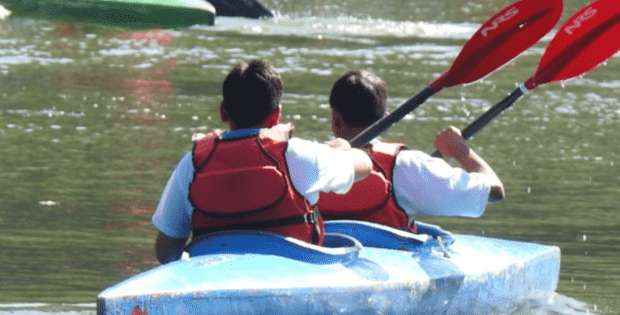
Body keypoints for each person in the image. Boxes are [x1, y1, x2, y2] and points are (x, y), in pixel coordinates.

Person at [152, 60, 373, 264]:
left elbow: (166, 251)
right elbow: (365, 165)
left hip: (216, 275)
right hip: (291, 275)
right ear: (276, 116)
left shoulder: (192, 163)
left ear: (223, 112)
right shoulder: (298, 154)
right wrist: (344, 150)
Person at [318, 69, 504, 230]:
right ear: (386, 119)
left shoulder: (304, 158)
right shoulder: (409, 165)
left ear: (335, 118)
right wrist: (462, 152)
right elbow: (494, 193)